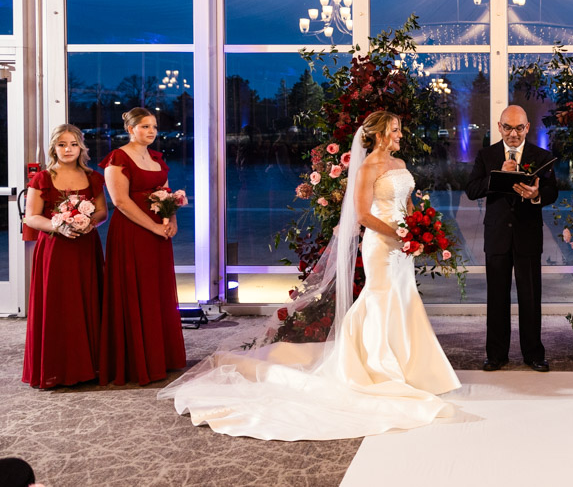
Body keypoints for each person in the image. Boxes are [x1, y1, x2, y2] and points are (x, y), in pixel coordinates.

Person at [158, 111, 460, 440]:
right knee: (381, 298)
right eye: (395, 130)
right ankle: (377, 368)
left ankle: (411, 367)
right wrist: (398, 234)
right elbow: (361, 215)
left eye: (400, 129)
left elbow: (409, 202)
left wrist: (419, 231)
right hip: (380, 246)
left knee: (404, 298)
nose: (400, 134)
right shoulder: (368, 167)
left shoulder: (399, 165)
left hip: (403, 246)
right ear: (377, 135)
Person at [466, 105, 558, 372]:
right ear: (499, 127)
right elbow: (472, 189)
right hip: (497, 235)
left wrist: (536, 196)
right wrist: (498, 178)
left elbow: (553, 191)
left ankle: (533, 354)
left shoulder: (541, 156)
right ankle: (496, 355)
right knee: (496, 297)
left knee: (530, 297)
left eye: (519, 128)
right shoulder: (487, 155)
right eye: (508, 127)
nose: (514, 133)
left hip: (528, 234)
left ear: (527, 128)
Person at [98, 107, 186, 385]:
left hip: (159, 234)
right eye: (145, 126)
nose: (151, 132)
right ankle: (138, 360)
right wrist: (154, 227)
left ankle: (161, 357)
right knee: (136, 292)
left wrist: (171, 219)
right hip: (132, 233)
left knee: (156, 292)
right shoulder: (117, 158)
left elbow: (167, 193)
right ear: (130, 129)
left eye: (154, 127)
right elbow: (121, 202)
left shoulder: (157, 158)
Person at [22, 124, 107, 388]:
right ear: (54, 148)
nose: (67, 149)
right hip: (55, 249)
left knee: (87, 301)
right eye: (61, 144)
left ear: (81, 146)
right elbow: (32, 216)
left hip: (85, 248)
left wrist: (88, 223)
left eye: (72, 144)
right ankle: (55, 369)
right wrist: (57, 225)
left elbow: (102, 212)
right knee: (58, 305)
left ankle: (89, 367)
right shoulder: (43, 179)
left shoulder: (93, 177)